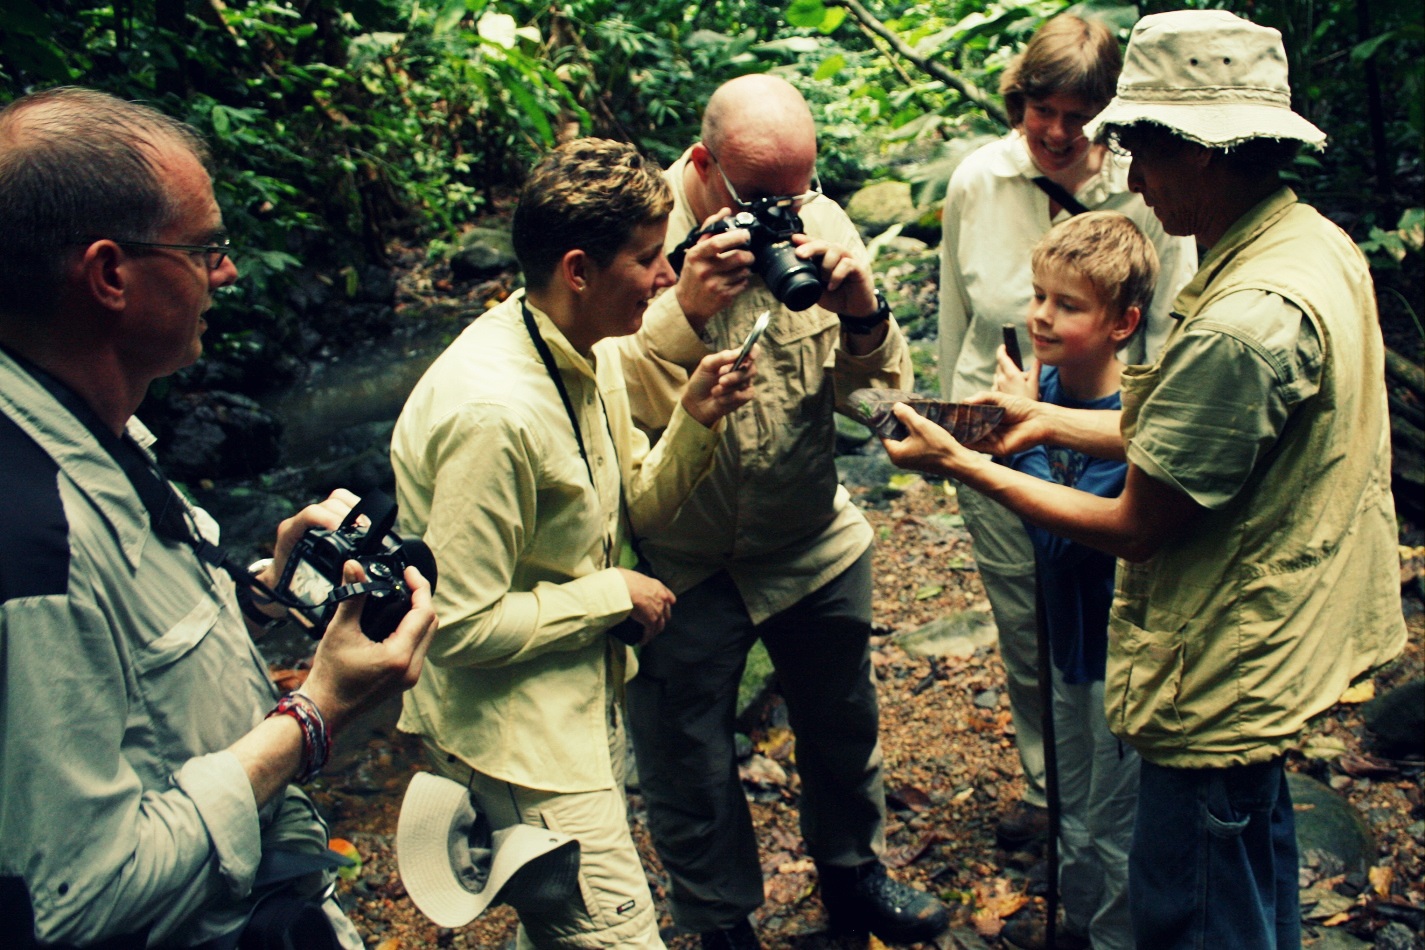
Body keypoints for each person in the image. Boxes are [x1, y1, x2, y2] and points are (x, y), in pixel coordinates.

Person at [885, 11, 1407, 949]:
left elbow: (1133, 525)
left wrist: (964, 463)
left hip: (1218, 675)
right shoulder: (1306, 243)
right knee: (1249, 879)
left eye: (1139, 146)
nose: (1122, 173)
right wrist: (1041, 418)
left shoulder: (1243, 319)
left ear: (1203, 153)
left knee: (1194, 908)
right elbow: (1192, 429)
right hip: (1270, 643)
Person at [0, 86, 438, 948]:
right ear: (109, 275)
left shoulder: (83, 421)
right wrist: (315, 713)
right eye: (205, 249)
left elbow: (119, 676)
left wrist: (254, 597)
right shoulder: (28, 541)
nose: (226, 272)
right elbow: (76, 900)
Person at [606, 74, 948, 949]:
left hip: (807, 539)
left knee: (841, 725)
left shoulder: (821, 223)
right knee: (689, 761)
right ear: (700, 164)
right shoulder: (634, 243)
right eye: (761, 196)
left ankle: (853, 875)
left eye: (798, 191)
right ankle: (721, 923)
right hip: (682, 559)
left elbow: (873, 408)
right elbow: (603, 407)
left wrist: (865, 318)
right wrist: (680, 309)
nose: (785, 214)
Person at [389, 138, 755, 948]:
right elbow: (453, 626)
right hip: (518, 746)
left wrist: (693, 421)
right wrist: (609, 593)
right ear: (579, 269)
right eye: (650, 260)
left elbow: (640, 506)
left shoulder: (594, 351)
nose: (668, 279)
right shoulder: (494, 413)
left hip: (578, 705)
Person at [936, 12, 1197, 847]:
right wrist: (954, 430)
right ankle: (1052, 792)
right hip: (998, 428)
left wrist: (1145, 438)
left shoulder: (1146, 187)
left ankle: (1116, 792)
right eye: (1038, 109)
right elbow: (954, 317)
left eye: (1077, 115)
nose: (1054, 132)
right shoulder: (979, 180)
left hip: (1111, 440)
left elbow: (1171, 326)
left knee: (1112, 615)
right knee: (1025, 620)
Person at [993, 211, 1158, 950]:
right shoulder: (1046, 382)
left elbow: (1064, 541)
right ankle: (1075, 923)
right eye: (1037, 295)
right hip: (1066, 648)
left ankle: (1114, 936)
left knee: (1118, 823)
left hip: (1117, 664)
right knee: (1070, 804)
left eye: (1066, 305)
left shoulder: (1129, 420)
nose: (1040, 316)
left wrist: (1011, 440)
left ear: (1122, 323)